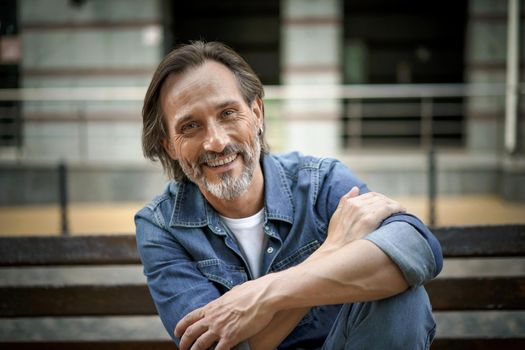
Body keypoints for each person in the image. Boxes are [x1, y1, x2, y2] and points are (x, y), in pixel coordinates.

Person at [135, 41, 442, 350]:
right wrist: (331, 250)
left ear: (257, 113)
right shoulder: (161, 225)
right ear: (170, 146)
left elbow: (417, 248)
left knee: (402, 297)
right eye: (190, 126)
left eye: (228, 113)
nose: (215, 142)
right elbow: (215, 347)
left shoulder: (320, 182)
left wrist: (265, 295)